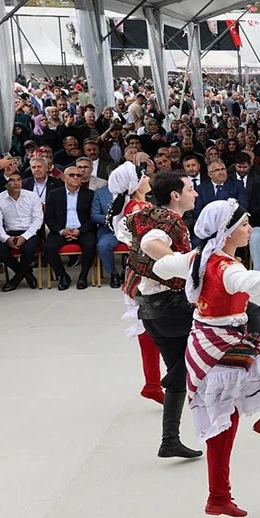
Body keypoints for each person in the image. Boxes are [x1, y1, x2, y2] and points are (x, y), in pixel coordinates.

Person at [154, 200, 260, 517]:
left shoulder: (200, 259)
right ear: (227, 232)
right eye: (244, 225)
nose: (250, 228)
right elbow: (249, 281)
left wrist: (171, 258)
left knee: (221, 422)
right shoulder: (228, 267)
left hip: (202, 349)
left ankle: (218, 497)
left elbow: (163, 267)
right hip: (224, 349)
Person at [123, 170, 203, 459]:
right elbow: (149, 244)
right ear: (175, 195)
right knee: (229, 326)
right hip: (168, 307)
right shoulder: (165, 222)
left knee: (179, 374)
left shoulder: (152, 215)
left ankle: (169, 440)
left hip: (152, 308)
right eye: (191, 189)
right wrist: (189, 262)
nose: (195, 193)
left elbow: (126, 230)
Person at [108, 162, 165, 405]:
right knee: (153, 329)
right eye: (143, 176)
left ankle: (155, 382)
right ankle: (154, 382)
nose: (147, 178)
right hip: (148, 273)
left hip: (145, 271)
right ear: (134, 184)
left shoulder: (136, 206)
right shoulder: (138, 208)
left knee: (153, 329)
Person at [43, 164, 97, 290]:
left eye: (78, 175)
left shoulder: (89, 194)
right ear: (63, 178)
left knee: (90, 245)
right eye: (72, 175)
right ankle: (62, 276)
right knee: (48, 248)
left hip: (82, 230)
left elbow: (92, 218)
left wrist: (80, 230)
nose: (76, 177)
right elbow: (49, 218)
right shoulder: (54, 194)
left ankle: (83, 276)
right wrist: (61, 231)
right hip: (62, 230)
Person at [0, 169, 42, 292]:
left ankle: (16, 279)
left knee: (28, 249)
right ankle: (26, 272)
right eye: (11, 180)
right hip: (9, 233)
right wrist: (7, 238)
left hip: (30, 232)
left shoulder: (32, 196)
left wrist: (25, 236)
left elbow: (38, 220)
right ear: (5, 183)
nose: (16, 183)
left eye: (18, 180)